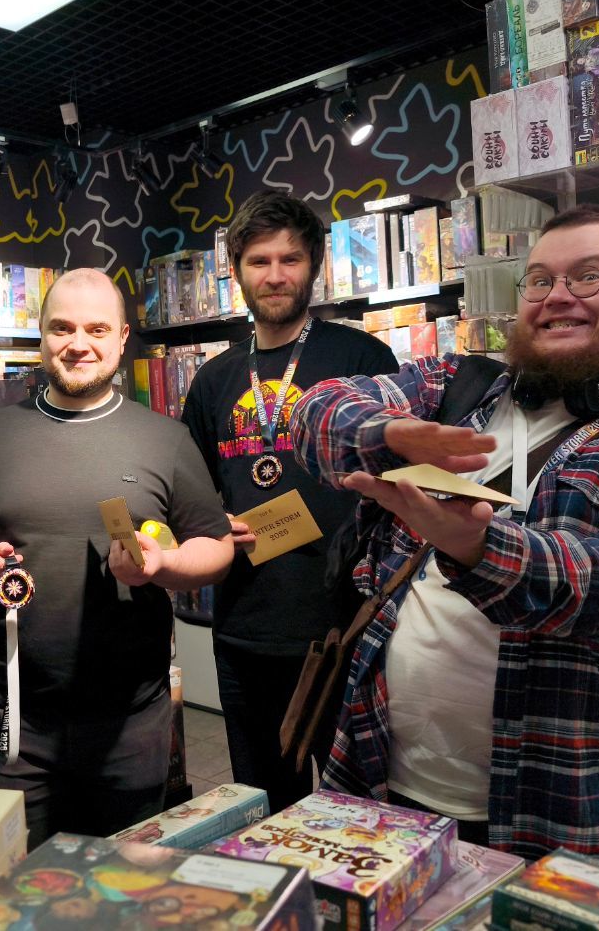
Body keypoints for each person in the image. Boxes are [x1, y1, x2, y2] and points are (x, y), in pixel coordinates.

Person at [289, 203, 599, 868]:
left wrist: (476, 546)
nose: (557, 295)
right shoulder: (454, 386)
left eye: (589, 276)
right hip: (372, 773)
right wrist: (387, 434)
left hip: (555, 812)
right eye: (539, 280)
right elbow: (314, 409)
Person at [0, 267, 233, 848]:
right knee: (22, 881)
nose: (78, 344)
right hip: (15, 713)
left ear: (122, 338)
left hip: (131, 720)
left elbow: (215, 548)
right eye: (62, 328)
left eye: (96, 329)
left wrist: (163, 566)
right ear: (42, 335)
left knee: (123, 882)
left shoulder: (165, 439)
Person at [180, 190, 396, 812]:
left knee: (358, 812)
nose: (275, 275)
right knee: (262, 807)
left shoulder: (362, 359)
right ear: (237, 271)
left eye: (290, 259)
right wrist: (211, 522)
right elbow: (191, 491)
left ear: (315, 266)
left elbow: (399, 479)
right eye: (259, 261)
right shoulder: (214, 379)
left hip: (347, 626)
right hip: (246, 627)